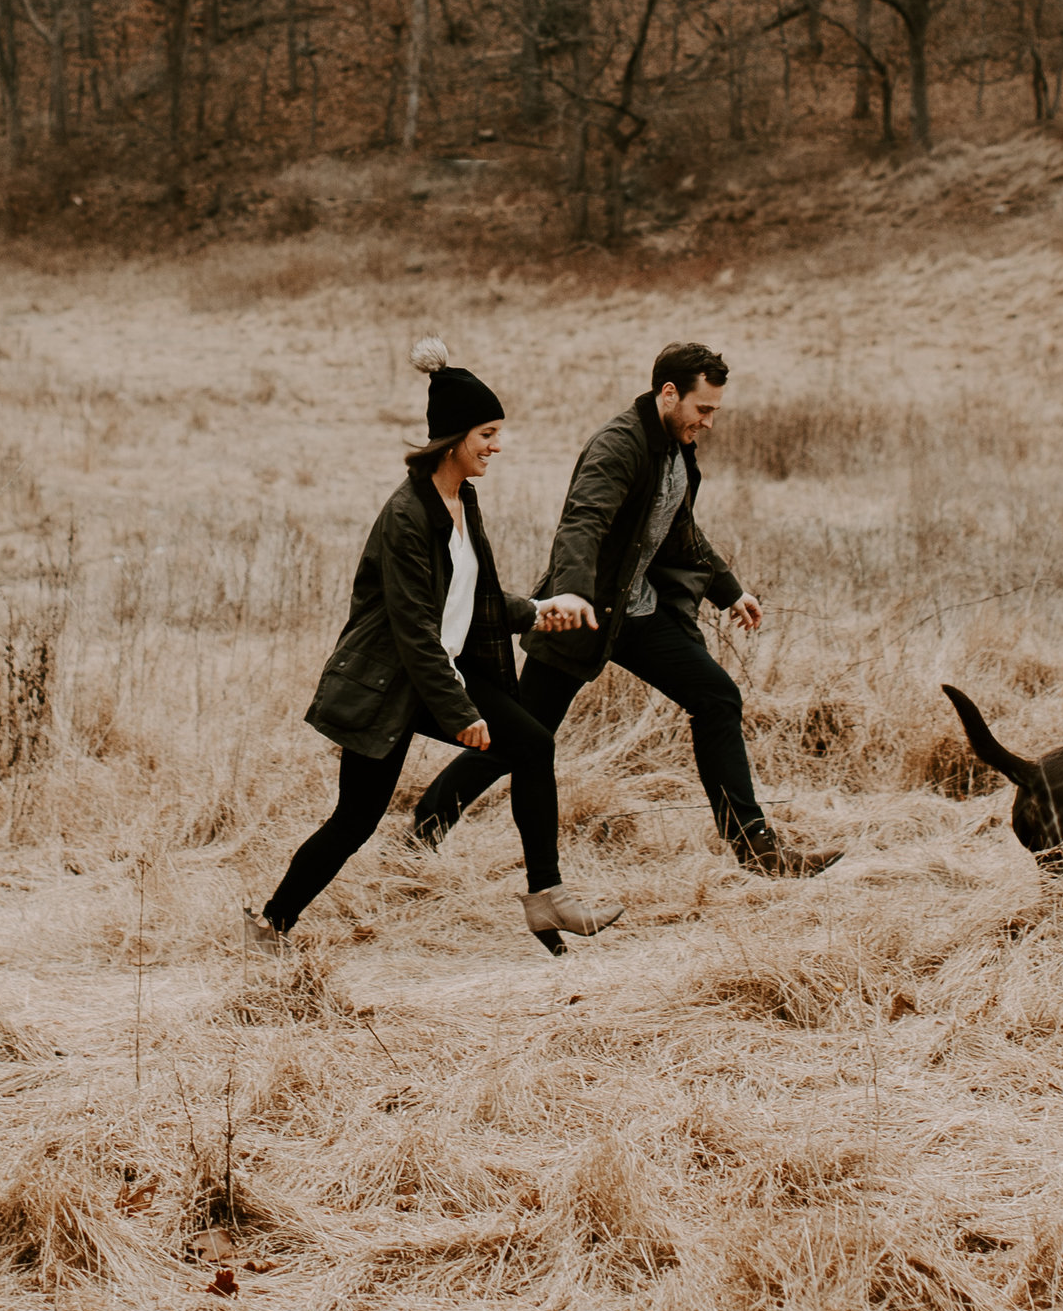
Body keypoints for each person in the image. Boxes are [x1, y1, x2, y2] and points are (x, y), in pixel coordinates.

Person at [414, 339, 838, 878]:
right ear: (668, 394)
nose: (708, 422)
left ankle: (757, 847)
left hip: (639, 615)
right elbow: (582, 522)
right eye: (702, 409)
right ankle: (425, 826)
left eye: (714, 411)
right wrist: (568, 595)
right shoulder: (619, 445)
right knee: (520, 739)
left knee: (716, 698)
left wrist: (728, 589)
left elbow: (677, 526)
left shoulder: (676, 445)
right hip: (583, 615)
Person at [249, 341, 620, 953]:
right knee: (356, 819)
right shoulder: (407, 516)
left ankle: (546, 897)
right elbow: (415, 630)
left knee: (532, 744)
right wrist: (462, 714)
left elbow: (472, 601)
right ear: (452, 439)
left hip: (437, 672)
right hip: (391, 685)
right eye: (487, 434)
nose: (496, 447)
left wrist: (539, 611)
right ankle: (270, 925)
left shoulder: (461, 501)